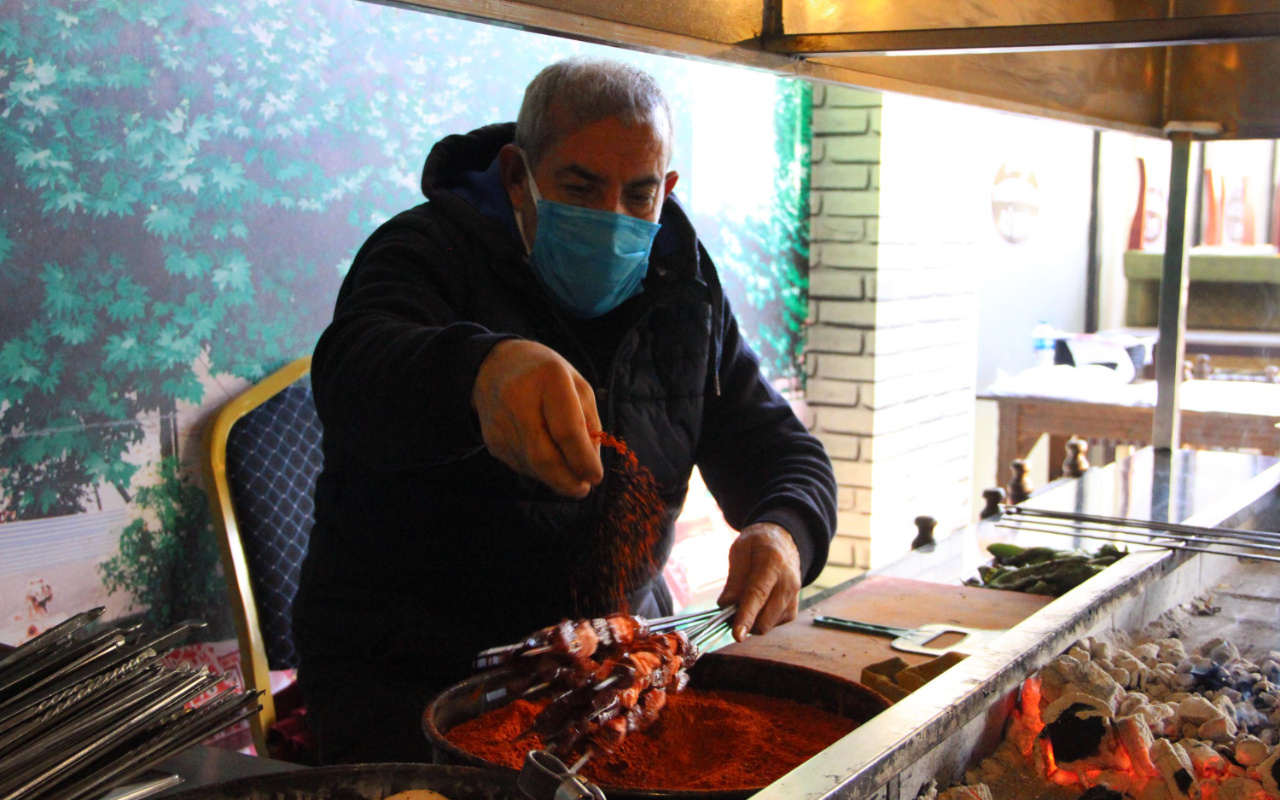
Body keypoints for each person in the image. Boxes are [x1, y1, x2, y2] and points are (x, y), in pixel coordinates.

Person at [292, 57, 837, 764]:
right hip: (410, 683)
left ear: (666, 190)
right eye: (580, 188)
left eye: (639, 196)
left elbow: (781, 452)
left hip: (603, 675)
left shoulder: (684, 286)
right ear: (518, 174)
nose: (612, 220)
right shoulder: (426, 251)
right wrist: (479, 375)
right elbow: (353, 369)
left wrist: (784, 533)